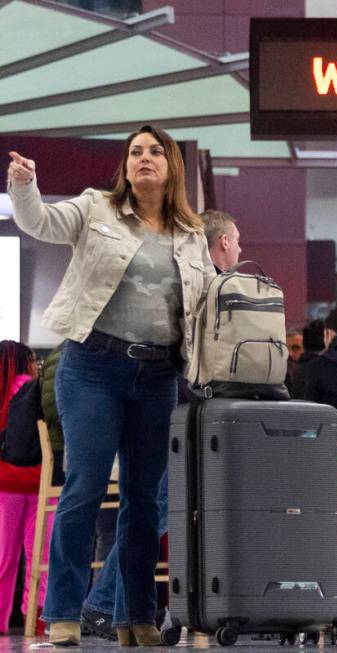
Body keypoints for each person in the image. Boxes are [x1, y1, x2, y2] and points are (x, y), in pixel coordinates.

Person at [7, 124, 215, 646]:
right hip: (92, 366)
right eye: (134, 153)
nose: (143, 159)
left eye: (154, 152)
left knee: (144, 499)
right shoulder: (95, 207)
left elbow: (207, 304)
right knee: (85, 488)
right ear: (125, 166)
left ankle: (136, 616)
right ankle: (64, 612)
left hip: (159, 374)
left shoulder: (191, 235)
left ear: (171, 167)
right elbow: (39, 222)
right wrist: (24, 185)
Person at [81, 208, 243, 639]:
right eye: (237, 241)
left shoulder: (186, 282)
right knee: (154, 511)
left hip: (169, 408)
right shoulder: (212, 289)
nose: (240, 249)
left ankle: (111, 607)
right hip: (180, 413)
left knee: (153, 511)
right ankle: (102, 605)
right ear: (223, 243)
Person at [0, 342, 49, 635]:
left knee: (4, 558)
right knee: (41, 558)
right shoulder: (33, 389)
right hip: (39, 483)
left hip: (4, 485)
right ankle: (38, 619)